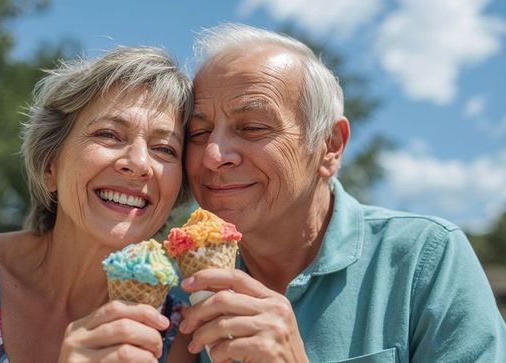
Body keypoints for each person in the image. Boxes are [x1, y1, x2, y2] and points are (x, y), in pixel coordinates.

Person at [177, 23, 506, 363]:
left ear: (330, 146)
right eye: (199, 132)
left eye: (253, 127)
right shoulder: (171, 281)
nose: (214, 155)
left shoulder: (426, 258)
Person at [0, 46, 194, 362]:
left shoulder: (174, 333)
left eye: (165, 149)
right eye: (109, 134)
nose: (139, 162)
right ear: (50, 166)